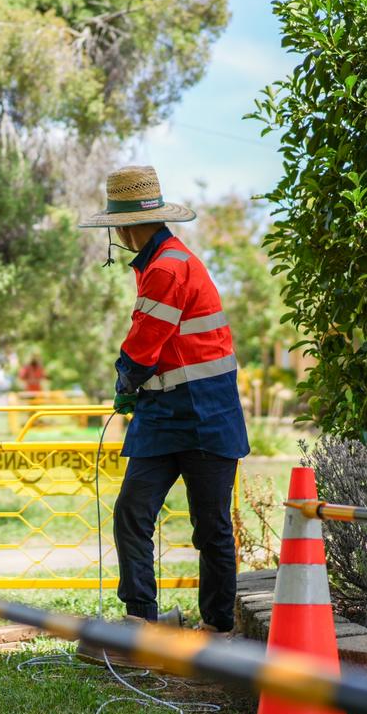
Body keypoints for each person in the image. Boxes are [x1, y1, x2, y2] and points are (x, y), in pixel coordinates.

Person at [79, 165, 250, 639]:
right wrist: (136, 386)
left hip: (206, 413)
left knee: (211, 527)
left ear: (128, 226)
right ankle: (140, 622)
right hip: (165, 415)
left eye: (117, 228)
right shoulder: (159, 263)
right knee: (133, 512)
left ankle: (216, 628)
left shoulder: (168, 266)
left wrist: (124, 380)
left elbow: (143, 343)